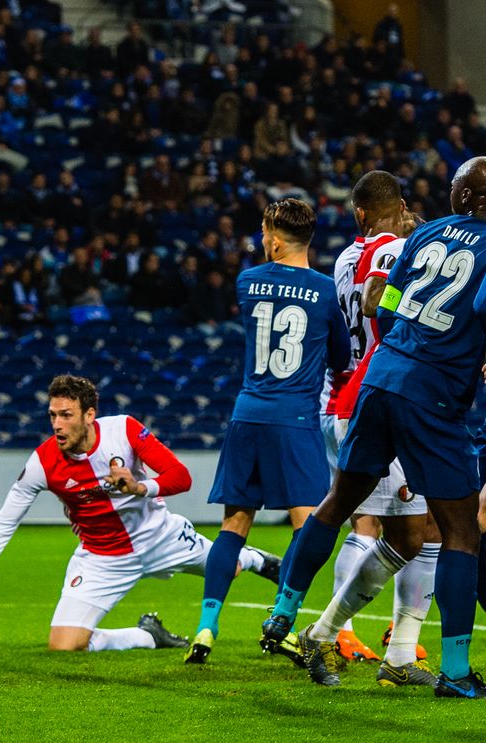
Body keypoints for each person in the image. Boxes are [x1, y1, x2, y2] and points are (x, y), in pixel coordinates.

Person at [263, 157, 486, 699]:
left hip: (377, 378)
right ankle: (455, 672)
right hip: (431, 391)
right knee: (459, 531)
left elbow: (380, 304)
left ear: (460, 196)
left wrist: (405, 341)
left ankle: (285, 611)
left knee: (340, 502)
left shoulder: (426, 232)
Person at [0, 375, 281, 653]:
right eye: (52, 415)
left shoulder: (124, 430)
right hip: (103, 558)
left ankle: (252, 558)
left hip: (160, 535)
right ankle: (148, 636)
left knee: (229, 568)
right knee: (64, 644)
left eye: (66, 415)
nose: (57, 425)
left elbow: (181, 477)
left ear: (89, 415)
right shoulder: (43, 462)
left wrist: (141, 487)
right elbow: (5, 520)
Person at [186, 198, 350, 664]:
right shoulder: (323, 292)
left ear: (274, 239)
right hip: (295, 420)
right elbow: (340, 360)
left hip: (247, 415)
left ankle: (206, 626)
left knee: (234, 525)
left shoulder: (247, 282)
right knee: (309, 524)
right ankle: (282, 617)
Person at [316, 171, 438, 681]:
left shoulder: (345, 257)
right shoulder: (391, 251)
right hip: (380, 397)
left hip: (345, 394)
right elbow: (378, 301)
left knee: (415, 525)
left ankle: (398, 653)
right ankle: (323, 632)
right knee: (404, 530)